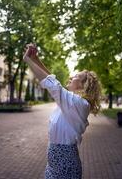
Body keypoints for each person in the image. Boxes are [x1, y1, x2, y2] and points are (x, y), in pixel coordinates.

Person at [23, 43, 101, 179]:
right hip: (54, 161)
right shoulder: (70, 102)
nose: (71, 77)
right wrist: (35, 59)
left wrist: (28, 60)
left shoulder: (79, 104)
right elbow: (54, 81)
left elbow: (54, 86)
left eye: (76, 76)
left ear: (84, 86)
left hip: (65, 164)